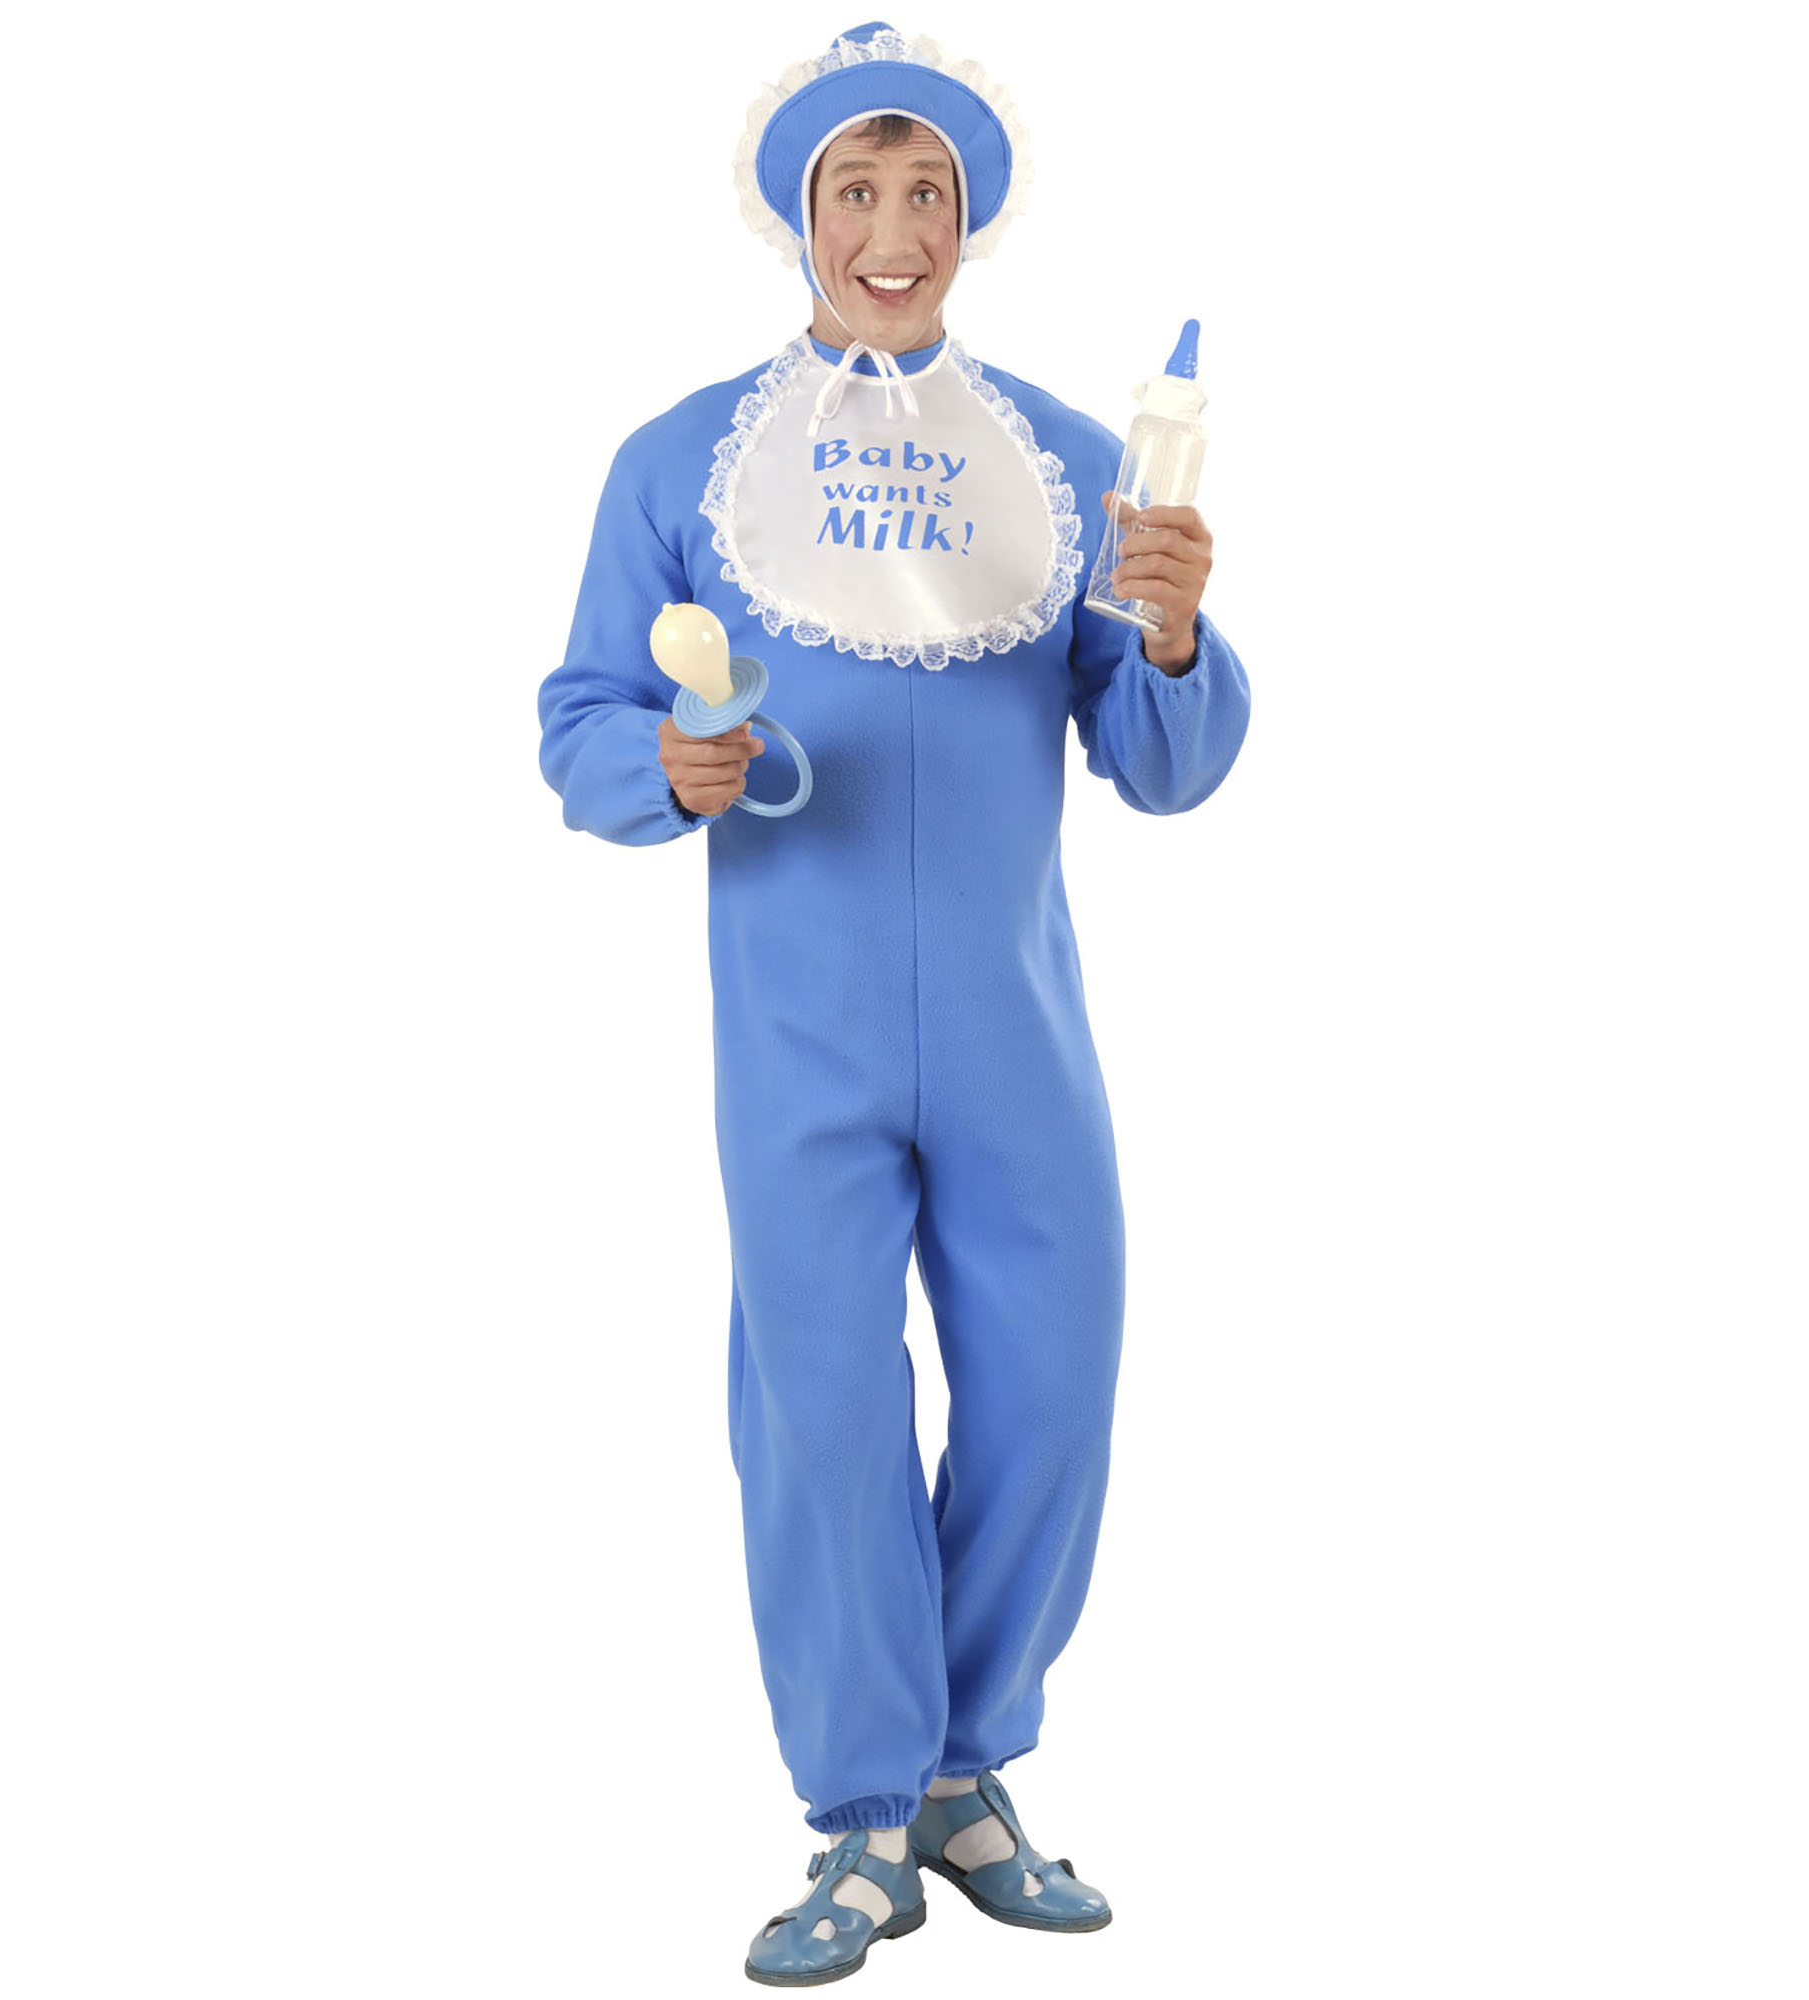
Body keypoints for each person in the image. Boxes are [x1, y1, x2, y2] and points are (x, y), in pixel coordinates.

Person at [536, 21, 1251, 1985]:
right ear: (799, 215)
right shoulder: (680, 462)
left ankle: (962, 1765)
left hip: (1022, 1025)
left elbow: (1165, 765)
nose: (891, 228)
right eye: (855, 190)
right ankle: (860, 1808)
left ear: (967, 217)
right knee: (824, 1401)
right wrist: (658, 766)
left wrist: (1172, 630)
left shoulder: (1074, 462)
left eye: (923, 190)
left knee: (1055, 1380)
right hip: (802, 1026)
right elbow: (587, 712)